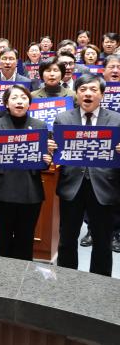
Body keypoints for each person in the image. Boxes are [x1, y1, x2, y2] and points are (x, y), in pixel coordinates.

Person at [51, 74, 120, 276]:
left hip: (104, 186)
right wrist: (51, 149)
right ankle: (67, 282)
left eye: (93, 89)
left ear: (102, 94)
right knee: (67, 240)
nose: (88, 93)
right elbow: (57, 154)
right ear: (77, 93)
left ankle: (98, 287)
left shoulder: (116, 120)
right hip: (72, 186)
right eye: (83, 89)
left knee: (103, 242)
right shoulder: (63, 118)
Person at [0, 85, 52, 260]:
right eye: (14, 98)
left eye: (24, 98)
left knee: (25, 240)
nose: (19, 101)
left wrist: (47, 161)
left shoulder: (40, 126)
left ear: (29, 103)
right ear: (6, 103)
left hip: (30, 192)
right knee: (2, 239)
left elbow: (43, 162)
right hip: (2, 191)